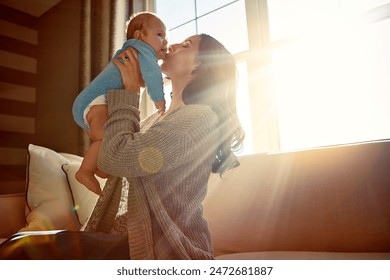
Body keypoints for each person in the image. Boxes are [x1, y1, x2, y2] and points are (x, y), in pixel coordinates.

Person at [0, 33, 244, 260]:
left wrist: (128, 93)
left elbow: (116, 157)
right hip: (125, 240)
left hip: (164, 251)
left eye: (186, 46)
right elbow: (110, 167)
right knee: (19, 244)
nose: (172, 45)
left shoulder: (200, 118)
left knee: (19, 249)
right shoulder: (158, 119)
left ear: (199, 67)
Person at [72, 12, 168, 195]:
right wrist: (158, 98)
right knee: (104, 137)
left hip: (95, 102)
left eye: (166, 37)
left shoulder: (133, 50)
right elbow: (152, 74)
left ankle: (99, 166)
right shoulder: (142, 49)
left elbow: (140, 76)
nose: (165, 41)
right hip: (95, 100)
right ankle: (84, 171)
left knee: (105, 140)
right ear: (139, 36)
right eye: (160, 35)